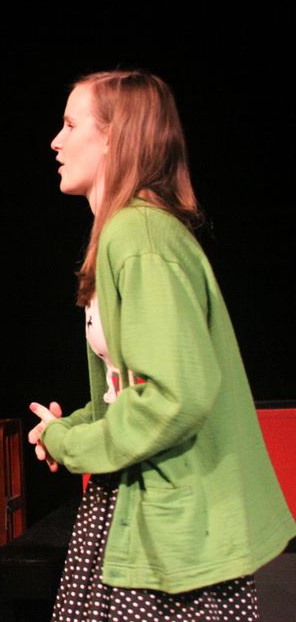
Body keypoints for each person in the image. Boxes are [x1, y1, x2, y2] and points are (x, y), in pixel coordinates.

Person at [28, 69, 295, 620]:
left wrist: (74, 445)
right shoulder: (123, 232)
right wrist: (69, 428)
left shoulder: (139, 236)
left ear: (114, 138)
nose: (55, 141)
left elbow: (175, 395)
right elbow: (128, 390)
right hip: (135, 501)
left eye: (71, 125)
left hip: (173, 516)